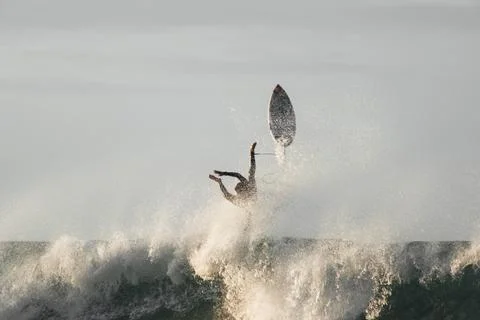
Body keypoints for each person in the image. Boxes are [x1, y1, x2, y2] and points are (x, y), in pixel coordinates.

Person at [209, 142, 257, 207]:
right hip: (255, 210)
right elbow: (226, 195)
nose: (238, 194)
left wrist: (252, 153)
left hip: (257, 202)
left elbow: (240, 174)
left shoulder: (250, 186)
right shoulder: (240, 200)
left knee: (251, 174)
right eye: (238, 192)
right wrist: (220, 181)